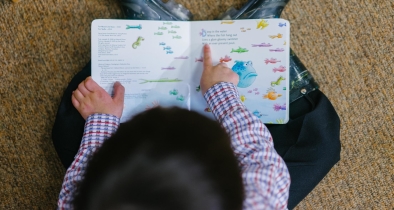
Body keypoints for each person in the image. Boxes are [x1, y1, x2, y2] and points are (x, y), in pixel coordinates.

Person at [56, 44, 291, 210]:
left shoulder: (79, 199)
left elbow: (76, 185)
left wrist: (102, 120)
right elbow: (259, 154)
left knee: (73, 117)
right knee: (319, 138)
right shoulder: (258, 198)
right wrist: (221, 91)